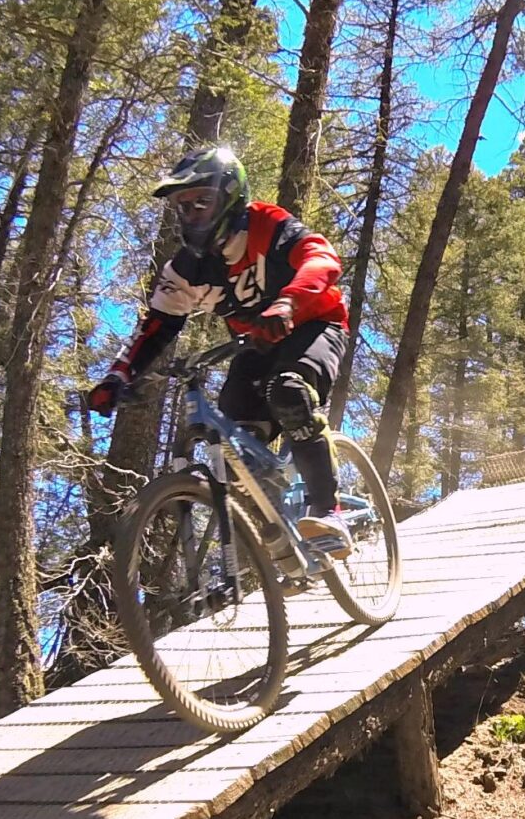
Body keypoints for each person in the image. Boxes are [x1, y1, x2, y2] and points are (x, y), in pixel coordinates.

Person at [86, 145, 352, 554]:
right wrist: (119, 374)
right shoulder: (186, 269)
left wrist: (288, 301)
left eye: (201, 203)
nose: (191, 215)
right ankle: (277, 540)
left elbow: (320, 257)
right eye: (183, 206)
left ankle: (328, 511)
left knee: (289, 392)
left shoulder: (268, 224)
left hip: (314, 323)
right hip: (257, 343)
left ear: (231, 198)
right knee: (238, 447)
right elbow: (156, 325)